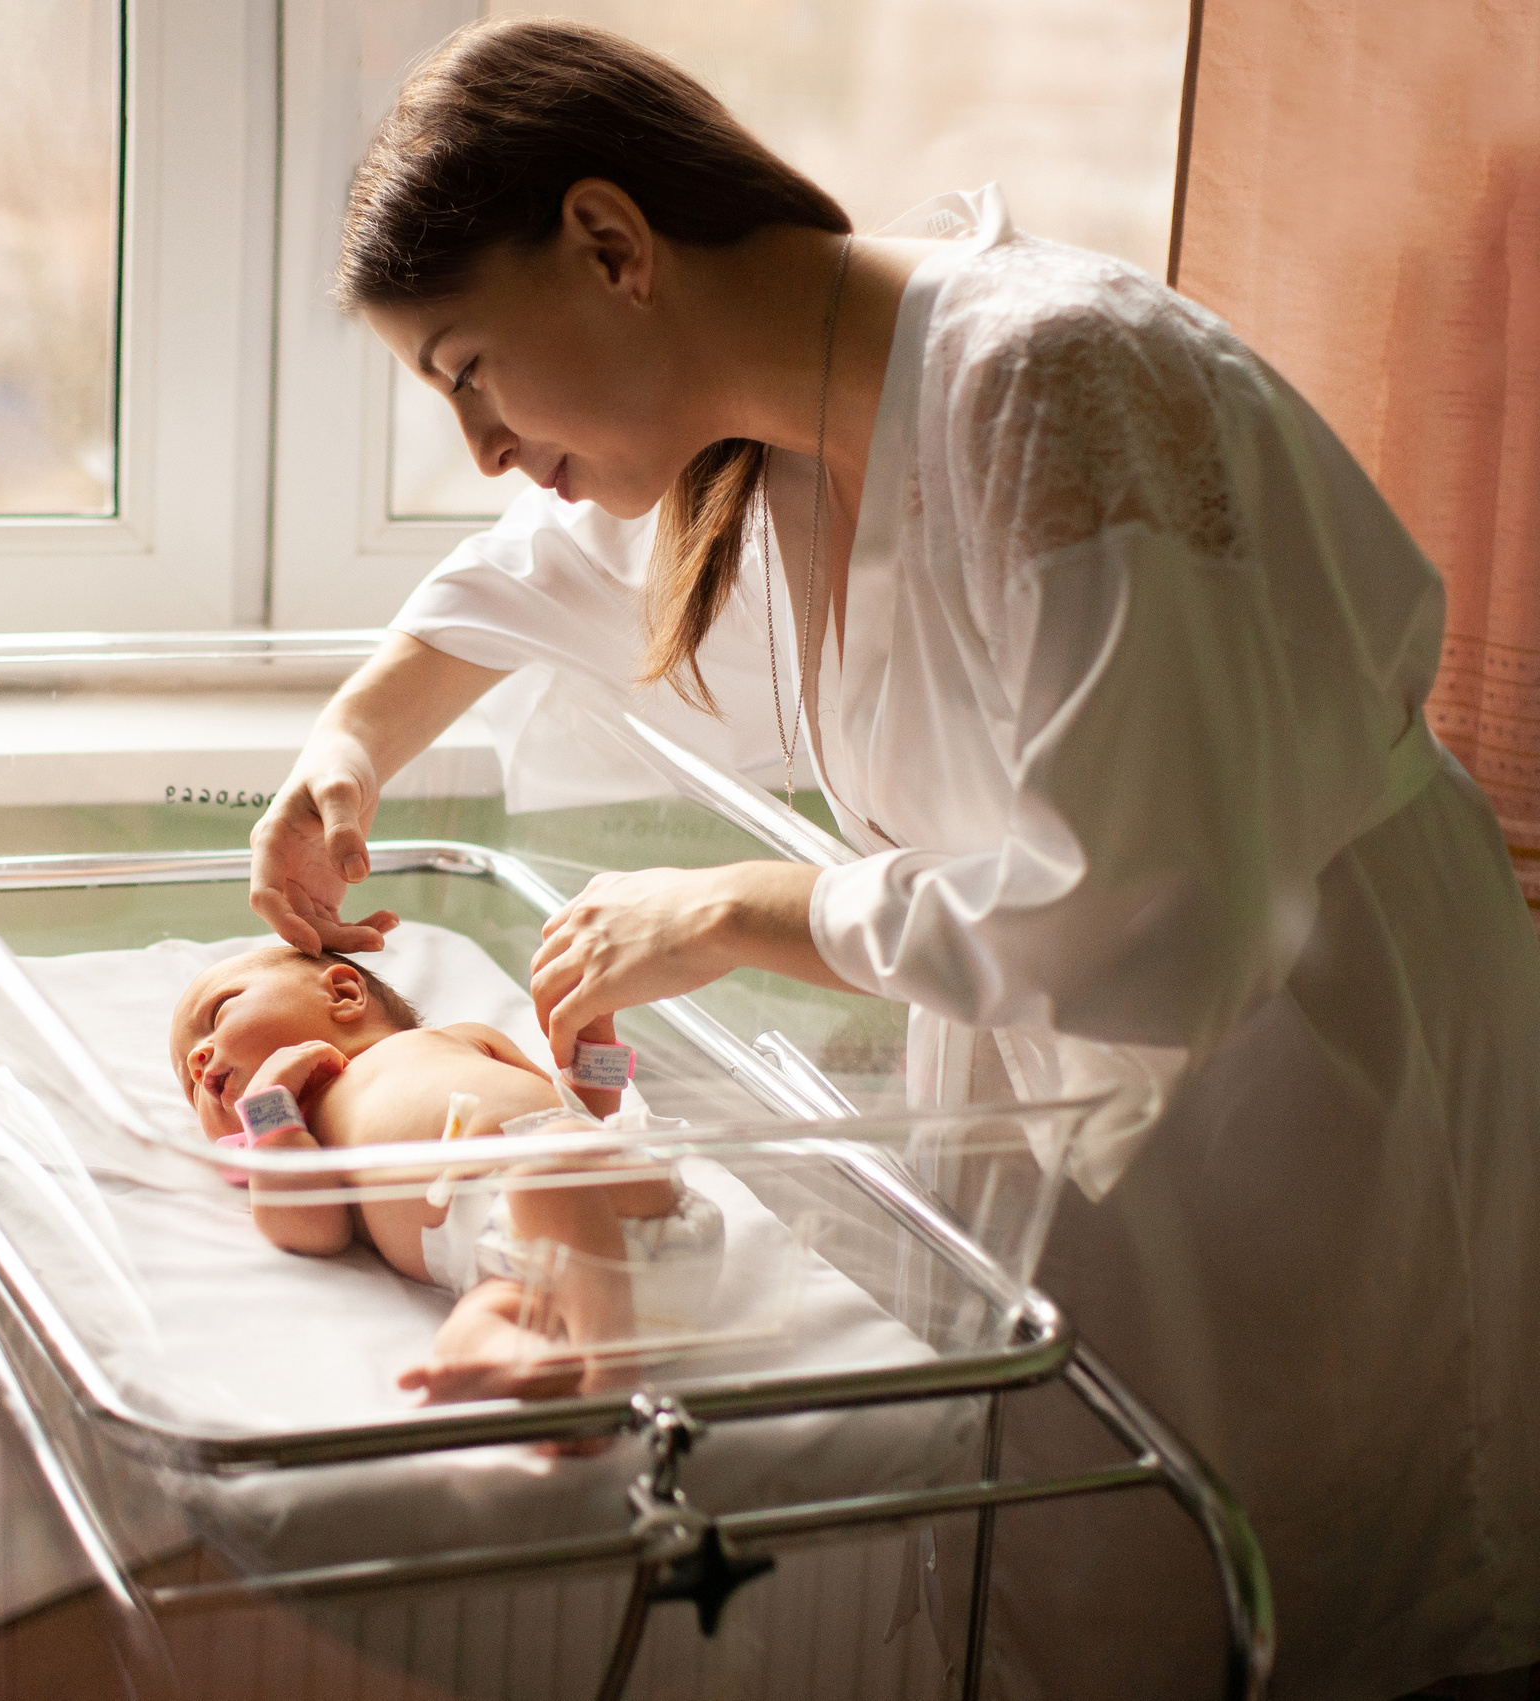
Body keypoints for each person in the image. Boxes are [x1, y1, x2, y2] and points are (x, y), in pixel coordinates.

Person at [247, 18, 1540, 1701]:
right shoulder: (761, 442)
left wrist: (730, 908)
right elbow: (515, 578)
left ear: (610, 244)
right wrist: (340, 753)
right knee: (1077, 1571)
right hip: (1060, 1059)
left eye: (468, 371)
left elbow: (1161, 913)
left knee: (1313, 1588)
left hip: (1306, 1053)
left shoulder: (1050, 379)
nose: (482, 445)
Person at [168, 943, 716, 1402]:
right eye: (188, 1085)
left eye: (217, 1017)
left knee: (551, 1160)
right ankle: (537, 1363)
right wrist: (273, 1118)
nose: (198, 1061)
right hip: (522, 1279)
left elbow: (587, 1114)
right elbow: (313, 1232)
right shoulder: (301, 1139)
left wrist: (596, 1042)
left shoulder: (457, 1039)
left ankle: (610, 1370)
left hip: (621, 1202)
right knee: (466, 1331)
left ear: (343, 993)